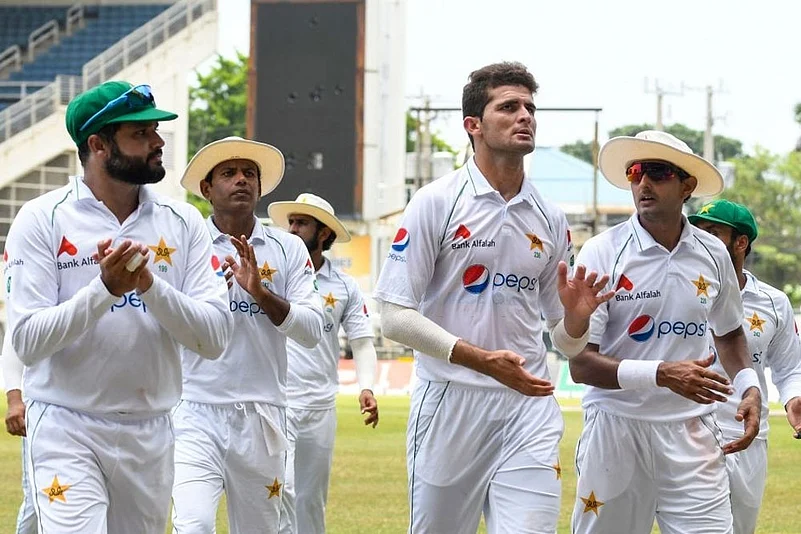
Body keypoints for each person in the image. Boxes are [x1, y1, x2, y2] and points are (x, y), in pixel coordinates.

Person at [373, 61, 614, 534]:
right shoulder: (436, 202)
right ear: (474, 125)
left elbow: (564, 342)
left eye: (530, 108)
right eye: (508, 107)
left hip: (528, 406)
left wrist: (577, 319)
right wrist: (481, 360)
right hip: (450, 404)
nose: (524, 116)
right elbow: (395, 317)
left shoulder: (550, 216)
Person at [3, 81, 234, 534]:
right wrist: (104, 289)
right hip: (65, 424)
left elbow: (214, 339)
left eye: (155, 131)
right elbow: (27, 342)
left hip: (151, 429)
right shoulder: (42, 218)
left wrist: (149, 285)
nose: (158, 142)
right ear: (98, 145)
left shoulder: (183, 221)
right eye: (141, 133)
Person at [568, 130, 762, 534]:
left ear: (687, 186)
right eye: (635, 172)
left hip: (693, 434)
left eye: (657, 172)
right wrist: (662, 374)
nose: (643, 183)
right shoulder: (603, 251)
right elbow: (581, 364)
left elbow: (729, 333)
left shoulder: (713, 253)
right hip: (616, 432)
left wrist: (749, 388)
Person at [172, 136, 324, 533]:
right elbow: (162, 319)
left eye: (250, 174)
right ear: (206, 188)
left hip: (262, 414)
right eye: (228, 173)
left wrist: (261, 294)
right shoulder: (184, 245)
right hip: (194, 409)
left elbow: (312, 331)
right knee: (194, 525)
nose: (242, 179)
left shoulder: (288, 248)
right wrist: (206, 299)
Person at [268, 193, 379, 534]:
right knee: (282, 490)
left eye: (302, 223)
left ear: (324, 233)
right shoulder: (273, 275)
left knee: (311, 499)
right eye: (291, 222)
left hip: (320, 406)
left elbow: (361, 341)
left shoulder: (345, 286)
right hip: (277, 402)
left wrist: (367, 387)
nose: (292, 228)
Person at [689, 199, 801, 534]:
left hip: (748, 436)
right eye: (698, 232)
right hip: (688, 433)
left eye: (713, 232)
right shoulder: (680, 290)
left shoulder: (773, 302)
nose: (701, 240)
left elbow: (789, 366)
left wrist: (793, 398)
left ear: (741, 243)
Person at [2, 332, 38, 534]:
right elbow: (13, 339)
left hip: (123, 414)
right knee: (43, 493)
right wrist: (14, 399)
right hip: (47, 410)